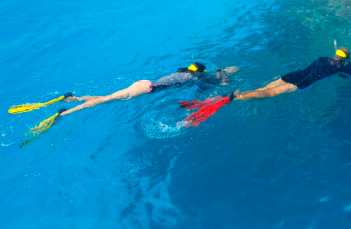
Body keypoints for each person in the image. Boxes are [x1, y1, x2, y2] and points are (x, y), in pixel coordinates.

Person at [10, 63, 238, 143]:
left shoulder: (183, 73)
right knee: (106, 99)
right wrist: (222, 77)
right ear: (198, 73)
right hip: (145, 89)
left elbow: (197, 78)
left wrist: (217, 75)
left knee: (107, 98)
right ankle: (64, 114)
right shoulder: (191, 77)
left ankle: (73, 98)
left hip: (144, 84)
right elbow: (203, 81)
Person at [181, 47, 351, 126]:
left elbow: (338, 61)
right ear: (345, 60)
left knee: (267, 88)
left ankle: (236, 96)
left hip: (293, 74)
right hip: (302, 82)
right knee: (270, 94)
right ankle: (234, 98)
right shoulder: (340, 68)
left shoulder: (324, 58)